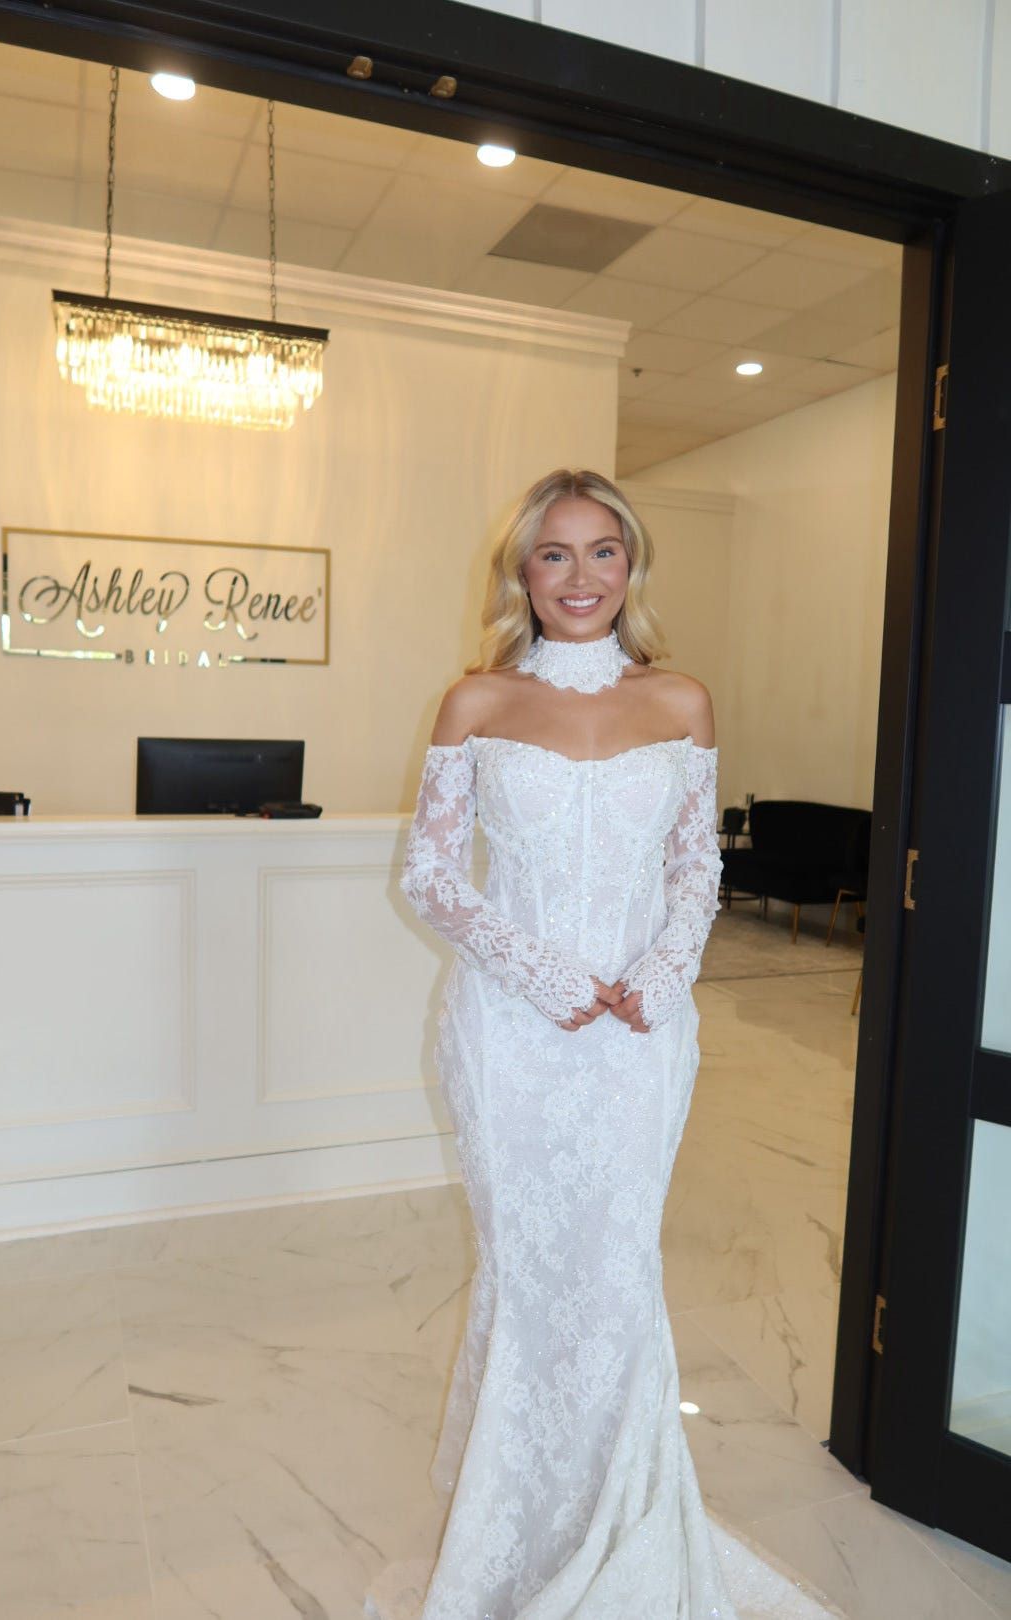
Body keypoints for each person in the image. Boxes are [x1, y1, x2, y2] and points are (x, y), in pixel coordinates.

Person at [365, 469, 845, 1620]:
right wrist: (539, 973)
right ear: (520, 572)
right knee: (532, 1277)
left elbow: (696, 865)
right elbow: (429, 874)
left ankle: (625, 1524)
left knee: (620, 1275)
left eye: (602, 554)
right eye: (553, 555)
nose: (579, 578)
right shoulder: (474, 703)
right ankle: (516, 1540)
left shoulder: (682, 702)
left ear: (631, 569)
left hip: (642, 1036)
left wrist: (665, 971)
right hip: (510, 1034)